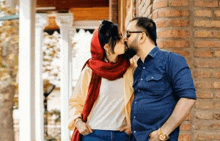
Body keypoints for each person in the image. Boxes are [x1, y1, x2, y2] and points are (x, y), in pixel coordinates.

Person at [123, 17, 196, 141]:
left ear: (142, 37)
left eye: (128, 34)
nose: (125, 39)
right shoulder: (138, 69)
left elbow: (188, 98)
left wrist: (163, 132)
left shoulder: (172, 60)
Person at [68, 20, 136, 141]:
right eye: (119, 38)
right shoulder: (91, 70)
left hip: (122, 135)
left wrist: (134, 125)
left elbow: (140, 100)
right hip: (94, 134)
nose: (124, 40)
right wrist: (78, 122)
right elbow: (75, 102)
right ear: (107, 46)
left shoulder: (130, 69)